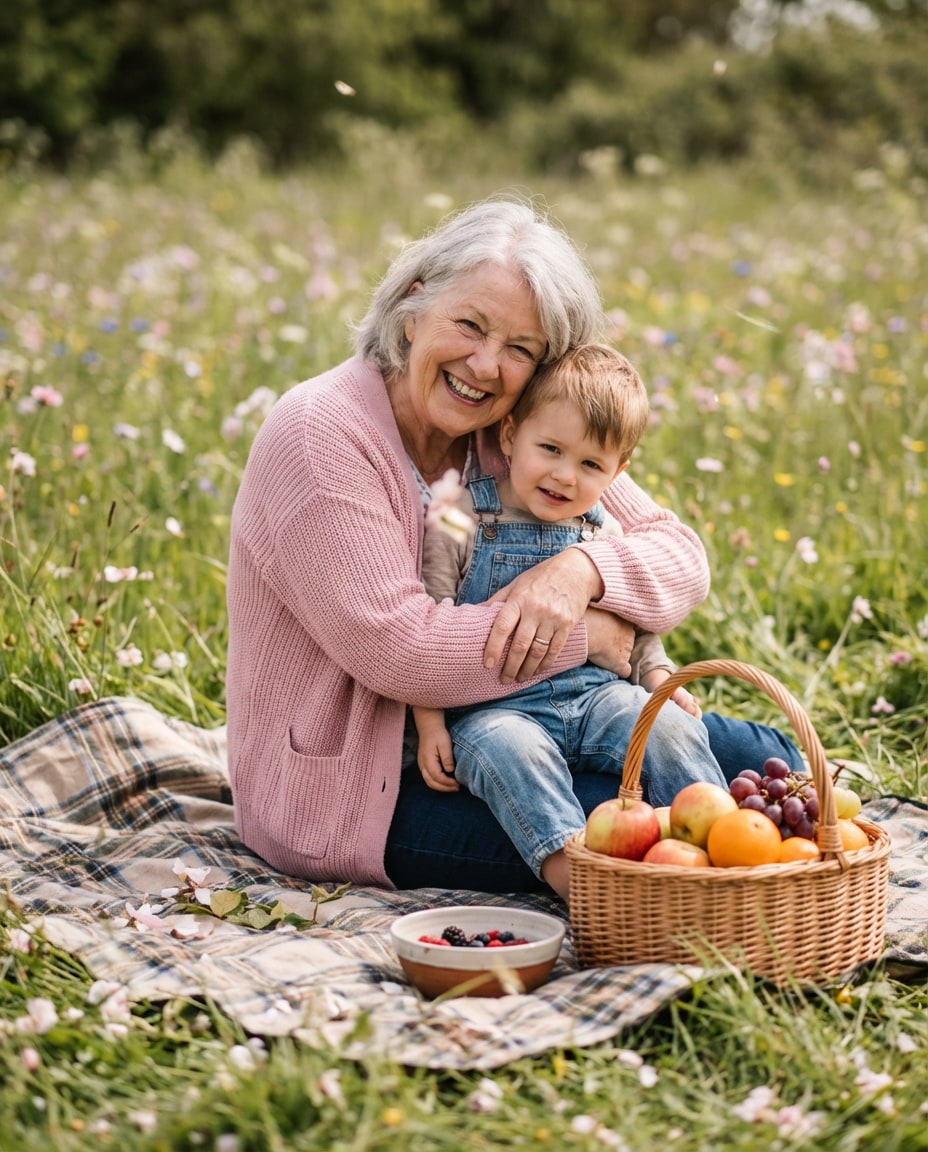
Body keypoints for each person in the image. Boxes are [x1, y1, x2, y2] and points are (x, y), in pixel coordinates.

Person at [226, 195, 804, 893]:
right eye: (469, 325)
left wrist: (581, 570)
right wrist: (587, 635)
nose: (485, 364)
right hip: (376, 783)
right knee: (649, 833)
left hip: (542, 714)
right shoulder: (320, 437)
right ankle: (673, 903)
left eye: (521, 350)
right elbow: (402, 650)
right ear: (414, 307)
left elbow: (678, 555)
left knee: (768, 756)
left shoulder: (516, 432)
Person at [412, 344, 725, 900]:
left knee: (668, 729)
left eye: (589, 465)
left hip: (595, 697)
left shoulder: (603, 532)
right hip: (497, 707)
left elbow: (637, 620)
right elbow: (429, 620)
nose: (563, 476)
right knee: (511, 755)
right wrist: (430, 721)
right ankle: (580, 880)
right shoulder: (460, 515)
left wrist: (657, 678)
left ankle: (715, 858)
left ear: (618, 471)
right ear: (510, 436)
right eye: (550, 449)